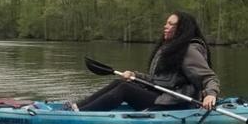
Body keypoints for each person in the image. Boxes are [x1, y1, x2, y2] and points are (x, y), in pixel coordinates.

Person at [68, 11, 220, 112]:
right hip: (163, 96)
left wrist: (210, 95)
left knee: (124, 90)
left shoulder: (188, 51)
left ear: (181, 29)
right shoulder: (170, 48)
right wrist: (135, 75)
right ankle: (78, 107)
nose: (165, 27)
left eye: (170, 24)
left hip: (174, 103)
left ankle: (81, 113)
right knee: (121, 83)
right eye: (166, 23)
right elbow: (158, 81)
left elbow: (209, 78)